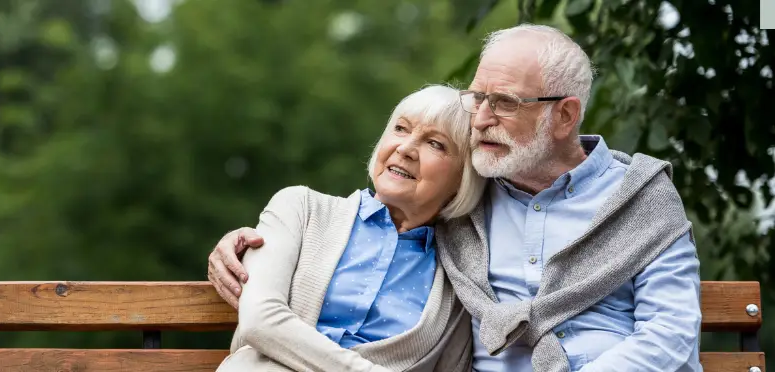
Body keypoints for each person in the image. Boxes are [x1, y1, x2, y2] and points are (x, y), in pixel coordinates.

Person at [208, 24, 702, 372]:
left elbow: (672, 333)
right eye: (477, 97)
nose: (481, 118)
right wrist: (249, 243)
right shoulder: (468, 208)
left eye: (504, 102)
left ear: (565, 117)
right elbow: (385, 211)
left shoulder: (640, 199)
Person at [215, 85, 484, 372]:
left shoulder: (459, 276)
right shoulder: (300, 209)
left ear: (463, 177)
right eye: (401, 129)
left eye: (435, 144)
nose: (405, 149)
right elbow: (260, 321)